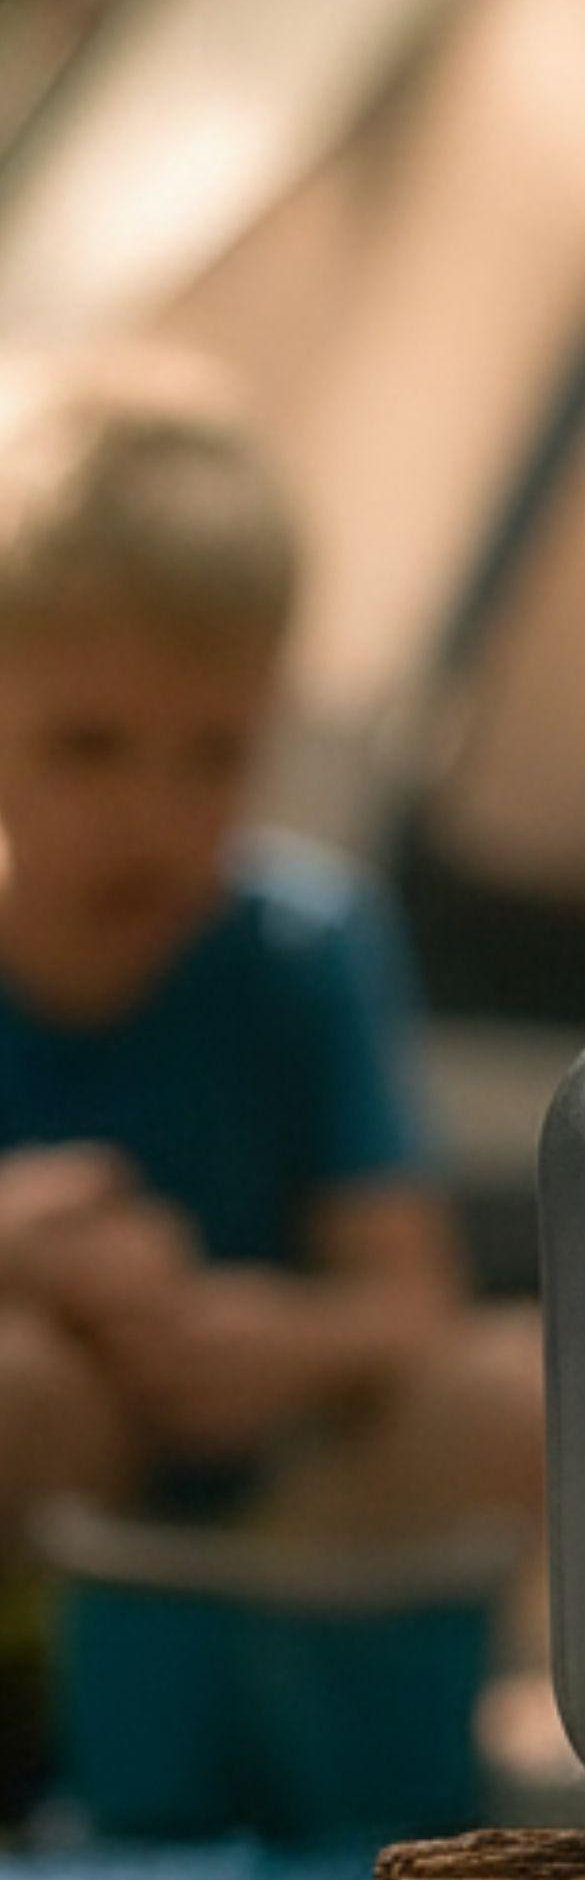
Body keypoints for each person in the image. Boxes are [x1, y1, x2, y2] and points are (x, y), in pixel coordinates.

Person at [0, 350, 539, 1557]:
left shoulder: (306, 947)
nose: (153, 817)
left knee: (521, 1390)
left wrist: (289, 1345)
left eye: (216, 756)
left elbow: (412, 1301)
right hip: (54, 1498)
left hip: (281, 1500)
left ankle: (270, 1641)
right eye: (88, 748)